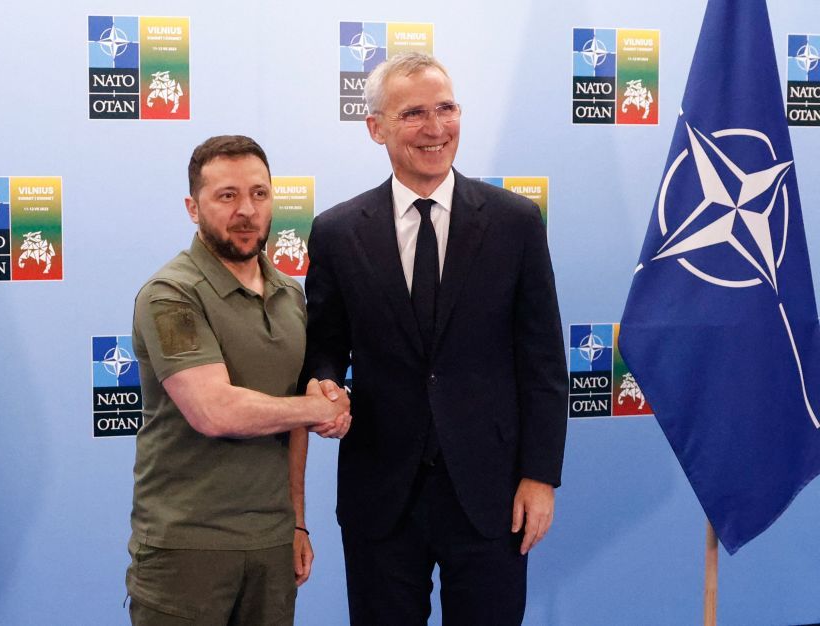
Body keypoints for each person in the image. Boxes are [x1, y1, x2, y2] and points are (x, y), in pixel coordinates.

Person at [301, 53, 568, 625]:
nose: (435, 128)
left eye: (446, 109)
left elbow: (544, 362)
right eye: (414, 113)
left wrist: (541, 477)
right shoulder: (337, 232)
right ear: (377, 128)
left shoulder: (515, 222)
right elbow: (324, 345)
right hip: (381, 494)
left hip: (492, 495)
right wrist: (324, 383)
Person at [126, 135, 350, 625]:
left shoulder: (290, 293)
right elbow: (214, 410)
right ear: (193, 206)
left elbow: (292, 422)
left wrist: (297, 522)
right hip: (187, 547)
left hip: (272, 544)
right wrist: (319, 408)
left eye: (259, 194)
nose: (246, 210)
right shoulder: (170, 294)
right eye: (227, 195)